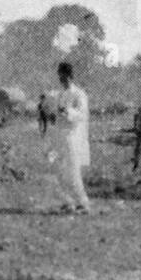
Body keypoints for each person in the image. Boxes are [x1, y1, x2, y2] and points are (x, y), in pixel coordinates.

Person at [51, 62, 91, 213]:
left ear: (70, 76)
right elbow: (57, 114)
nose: (62, 79)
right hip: (61, 135)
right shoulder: (61, 94)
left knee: (73, 170)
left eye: (64, 76)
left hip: (73, 136)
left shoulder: (79, 94)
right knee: (60, 170)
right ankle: (68, 202)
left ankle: (83, 203)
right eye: (60, 76)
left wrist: (67, 111)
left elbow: (81, 115)